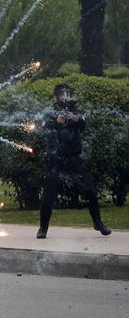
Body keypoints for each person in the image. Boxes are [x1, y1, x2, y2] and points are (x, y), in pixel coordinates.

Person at [37, 84, 111, 239]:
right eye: (61, 94)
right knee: (49, 195)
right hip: (56, 160)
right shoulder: (50, 112)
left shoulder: (76, 110)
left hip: (74, 159)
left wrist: (76, 119)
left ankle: (98, 222)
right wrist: (56, 121)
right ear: (56, 96)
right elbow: (43, 127)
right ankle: (43, 227)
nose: (64, 97)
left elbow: (83, 123)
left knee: (90, 189)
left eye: (67, 94)